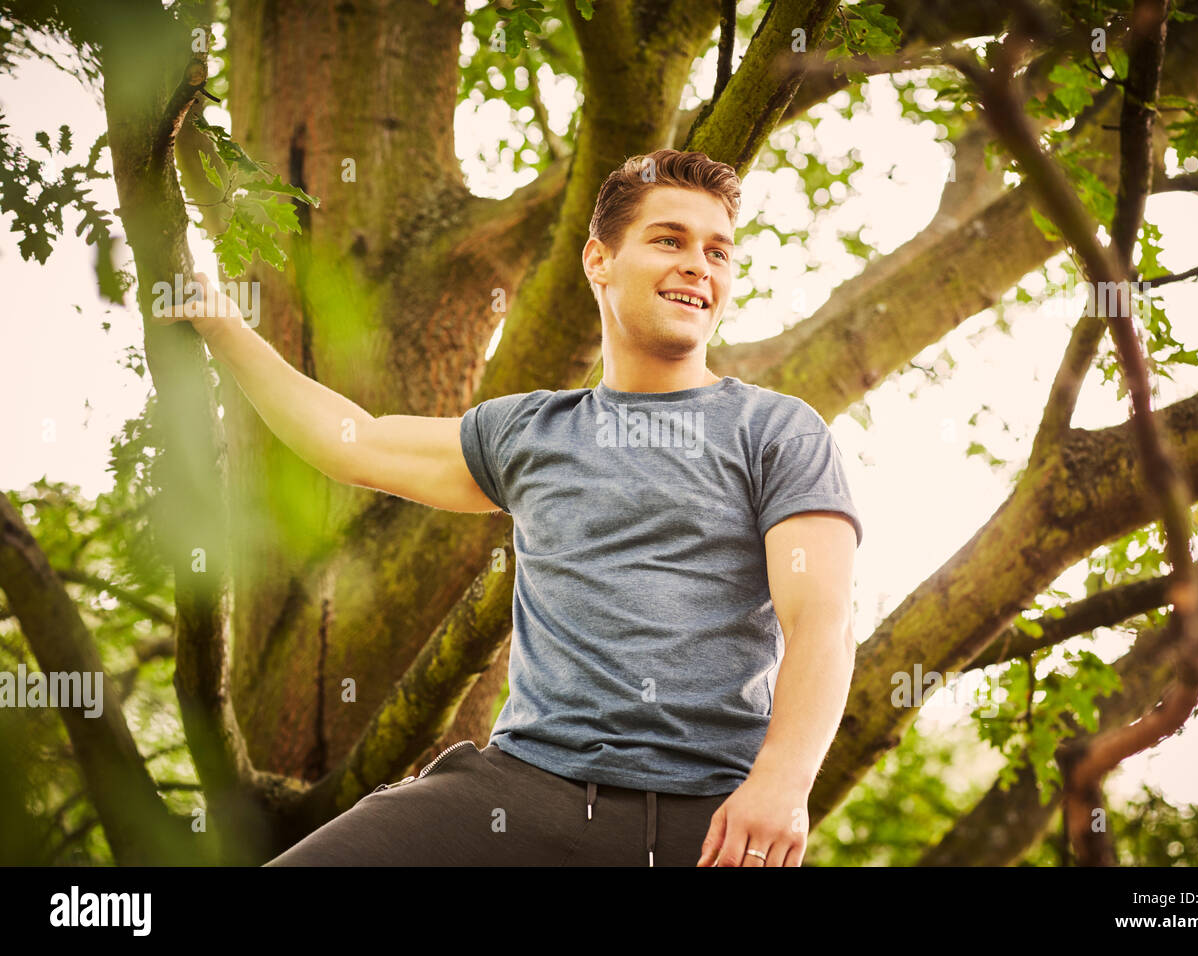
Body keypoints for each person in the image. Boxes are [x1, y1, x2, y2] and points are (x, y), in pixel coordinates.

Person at [156, 148, 863, 866]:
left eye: (718, 251)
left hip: (708, 819)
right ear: (599, 260)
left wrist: (783, 779)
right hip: (522, 794)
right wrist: (225, 329)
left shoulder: (775, 430)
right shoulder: (529, 431)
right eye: (668, 240)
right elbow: (354, 443)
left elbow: (823, 621)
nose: (698, 266)